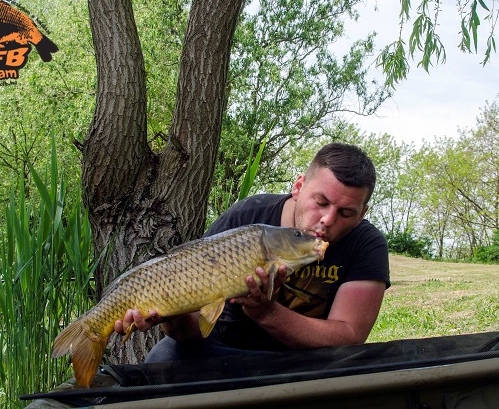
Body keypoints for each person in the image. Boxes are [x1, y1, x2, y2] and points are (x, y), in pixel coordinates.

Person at [114, 142, 390, 360]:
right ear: (298, 187)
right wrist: (171, 316)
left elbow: (348, 336)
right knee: (164, 355)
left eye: (345, 212)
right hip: (226, 347)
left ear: (362, 214)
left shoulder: (367, 244)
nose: (328, 219)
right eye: (320, 202)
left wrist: (267, 312)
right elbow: (193, 331)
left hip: (308, 360)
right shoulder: (247, 217)